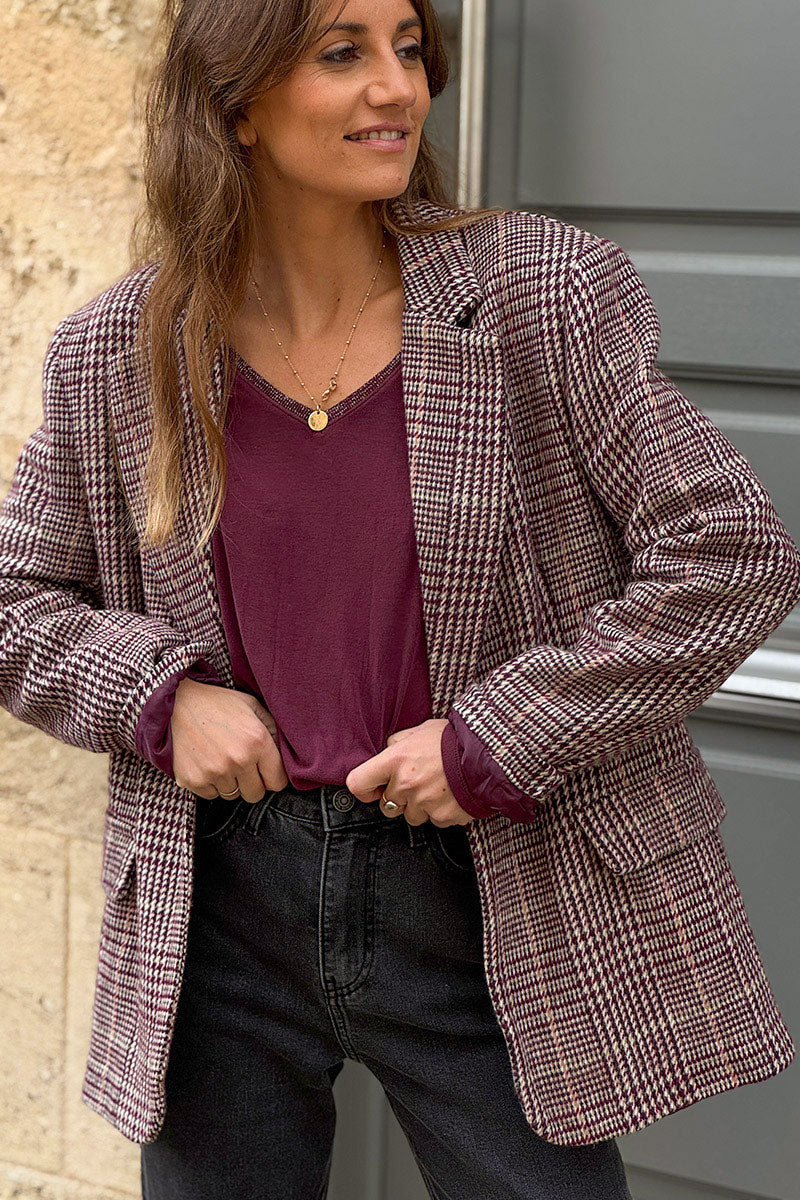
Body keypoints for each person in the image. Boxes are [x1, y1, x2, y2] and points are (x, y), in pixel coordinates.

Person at [1, 0, 798, 1196]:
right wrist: (160, 702)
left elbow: (728, 552)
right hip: (221, 905)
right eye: (342, 54)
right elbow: (18, 601)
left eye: (410, 49)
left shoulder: (540, 291)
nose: (396, 87)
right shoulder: (124, 348)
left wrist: (496, 737)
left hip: (487, 883)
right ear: (236, 106)